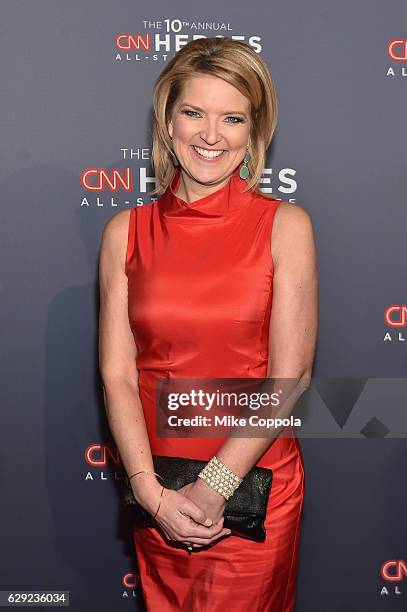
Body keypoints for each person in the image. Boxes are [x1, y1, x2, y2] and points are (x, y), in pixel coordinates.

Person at [98, 37, 318, 612]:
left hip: (251, 494)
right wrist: (149, 492)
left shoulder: (285, 227)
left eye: (233, 118)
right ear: (168, 123)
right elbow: (118, 374)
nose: (211, 134)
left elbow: (290, 375)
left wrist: (215, 485)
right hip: (157, 491)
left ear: (253, 132)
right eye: (194, 113)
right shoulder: (127, 232)